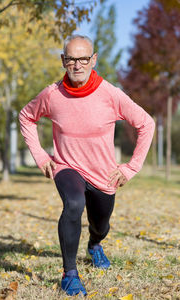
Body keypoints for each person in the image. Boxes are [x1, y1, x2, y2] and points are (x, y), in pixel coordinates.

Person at [19, 34, 155, 296]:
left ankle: (95, 244)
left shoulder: (110, 94)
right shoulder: (52, 94)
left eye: (83, 58)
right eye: (71, 59)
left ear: (93, 60)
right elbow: (26, 116)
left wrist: (130, 167)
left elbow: (146, 124)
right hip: (67, 167)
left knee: (101, 224)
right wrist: (41, 157)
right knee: (73, 204)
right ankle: (69, 274)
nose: (77, 65)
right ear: (63, 61)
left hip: (103, 175)